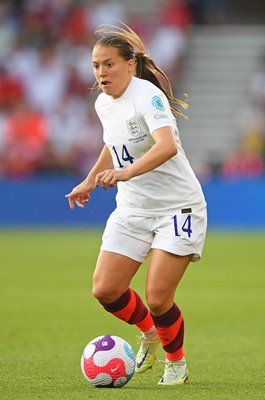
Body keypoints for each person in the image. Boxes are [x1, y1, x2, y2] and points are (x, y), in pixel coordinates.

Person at [66, 24, 207, 386]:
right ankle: (148, 333)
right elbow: (113, 143)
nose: (101, 73)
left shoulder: (148, 96)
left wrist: (125, 173)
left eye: (109, 64)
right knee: (105, 290)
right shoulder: (102, 102)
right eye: (96, 65)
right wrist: (90, 179)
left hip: (178, 207)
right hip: (133, 209)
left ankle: (176, 364)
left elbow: (166, 146)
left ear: (130, 65)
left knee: (159, 298)